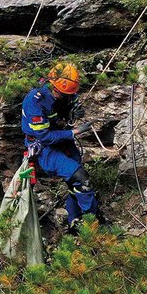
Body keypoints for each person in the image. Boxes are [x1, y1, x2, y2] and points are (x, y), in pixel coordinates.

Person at [21, 63, 99, 232]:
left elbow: (69, 105)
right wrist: (75, 132)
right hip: (44, 147)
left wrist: (74, 113)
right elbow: (44, 136)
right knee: (81, 177)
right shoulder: (35, 100)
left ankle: (75, 221)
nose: (66, 96)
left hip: (63, 140)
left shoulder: (67, 95)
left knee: (74, 183)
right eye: (62, 94)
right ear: (53, 85)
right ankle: (92, 223)